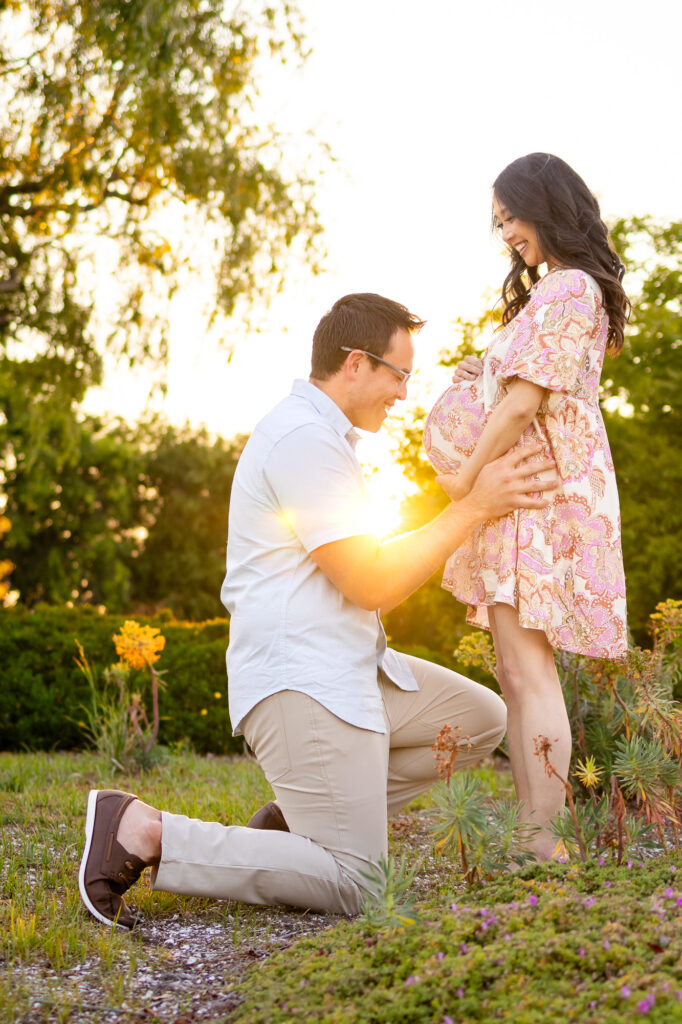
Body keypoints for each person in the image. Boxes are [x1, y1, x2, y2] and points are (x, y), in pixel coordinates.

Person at [78, 293, 556, 930]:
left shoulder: (326, 435)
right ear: (356, 364)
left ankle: (297, 824)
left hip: (349, 669)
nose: (405, 393)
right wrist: (471, 510)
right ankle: (142, 830)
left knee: (478, 718)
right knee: (361, 884)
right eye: (400, 374)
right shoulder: (303, 440)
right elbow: (369, 581)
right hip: (301, 681)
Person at [423, 154, 629, 860]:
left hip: (534, 496)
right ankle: (533, 832)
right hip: (527, 496)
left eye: (513, 214)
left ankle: (545, 841)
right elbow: (510, 387)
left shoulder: (570, 289)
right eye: (500, 219)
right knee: (514, 670)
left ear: (549, 207)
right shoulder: (557, 293)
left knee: (528, 671)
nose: (506, 230)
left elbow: (524, 401)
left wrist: (464, 484)